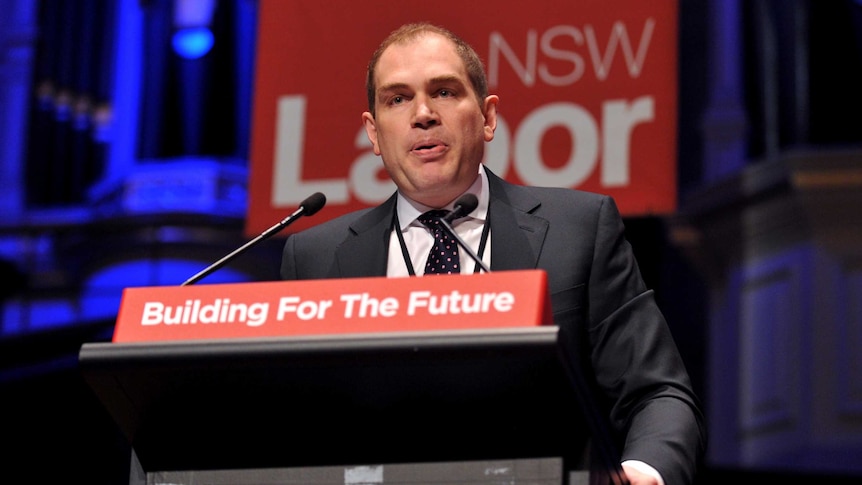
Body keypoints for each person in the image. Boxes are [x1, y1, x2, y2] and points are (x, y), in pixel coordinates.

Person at [281, 22, 706, 485]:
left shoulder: (578, 229)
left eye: (443, 91)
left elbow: (656, 392)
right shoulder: (315, 259)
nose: (422, 114)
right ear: (374, 133)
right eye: (397, 99)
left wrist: (644, 471)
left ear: (487, 117)